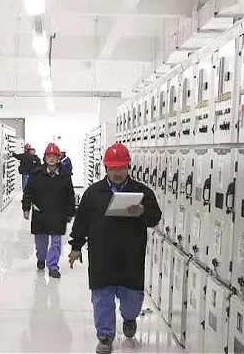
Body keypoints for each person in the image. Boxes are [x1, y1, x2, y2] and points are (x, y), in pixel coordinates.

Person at [68, 143, 162, 354]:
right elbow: (81, 222)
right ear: (106, 168)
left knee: (132, 301)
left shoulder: (142, 192)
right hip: (102, 255)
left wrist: (142, 211)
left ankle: (129, 318)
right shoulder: (94, 193)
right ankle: (105, 336)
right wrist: (75, 246)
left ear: (128, 167)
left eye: (121, 168)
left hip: (131, 256)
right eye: (113, 168)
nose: (118, 172)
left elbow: (155, 217)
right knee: (102, 297)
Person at [22, 143, 76, 279]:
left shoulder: (65, 175)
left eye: (54, 156)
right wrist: (26, 208)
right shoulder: (36, 174)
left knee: (56, 241)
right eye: (48, 156)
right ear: (45, 157)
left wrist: (70, 212)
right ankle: (41, 258)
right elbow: (28, 192)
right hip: (40, 212)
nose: (51, 158)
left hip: (58, 212)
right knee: (41, 242)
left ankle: (53, 266)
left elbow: (70, 194)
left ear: (58, 158)